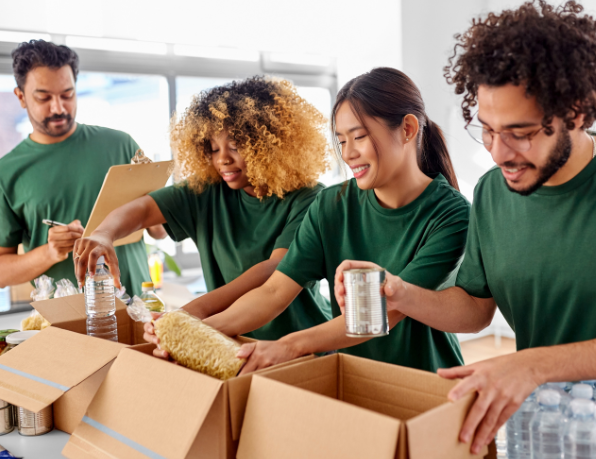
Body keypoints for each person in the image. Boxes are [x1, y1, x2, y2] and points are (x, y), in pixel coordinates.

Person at [334, 3, 596, 458]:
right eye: (486, 130)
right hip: (546, 433)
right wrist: (401, 294)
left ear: (576, 111)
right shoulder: (493, 193)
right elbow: (475, 308)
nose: (498, 153)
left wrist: (530, 366)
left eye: (520, 133)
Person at [196, 67, 470, 374]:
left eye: (359, 137)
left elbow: (384, 311)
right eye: (341, 141)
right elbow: (274, 292)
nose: (348, 153)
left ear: (407, 129)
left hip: (427, 379)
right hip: (353, 377)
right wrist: (197, 329)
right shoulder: (331, 204)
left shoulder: (450, 213)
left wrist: (291, 345)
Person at [73, 76, 332, 341]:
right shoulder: (208, 191)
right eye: (213, 148)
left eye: (235, 146)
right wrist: (104, 234)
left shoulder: (309, 199)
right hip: (232, 342)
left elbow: (274, 270)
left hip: (301, 343)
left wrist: (191, 314)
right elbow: (142, 210)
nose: (223, 159)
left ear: (270, 145)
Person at [0, 40, 163, 297]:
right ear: (21, 97)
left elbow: (160, 231)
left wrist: (154, 207)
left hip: (136, 310)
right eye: (44, 97)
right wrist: (49, 253)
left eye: (67, 95)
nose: (59, 108)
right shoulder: (4, 175)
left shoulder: (121, 145)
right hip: (65, 318)